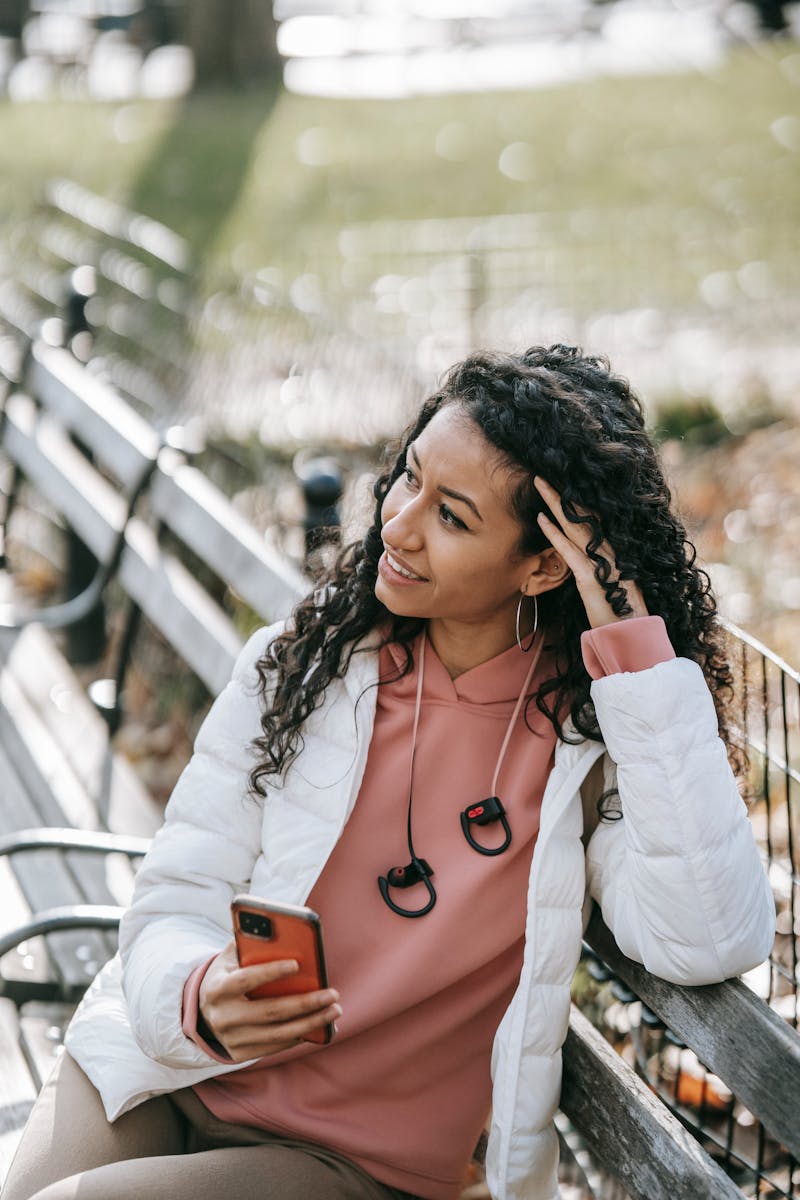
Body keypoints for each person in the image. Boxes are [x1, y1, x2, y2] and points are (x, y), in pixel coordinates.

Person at [3, 344, 775, 1200]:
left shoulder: (592, 746)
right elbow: (177, 894)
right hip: (164, 1061)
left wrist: (633, 651)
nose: (398, 525)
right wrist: (198, 993)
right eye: (409, 479)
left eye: (452, 516)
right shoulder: (303, 668)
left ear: (546, 562)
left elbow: (710, 936)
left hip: (342, 1160)